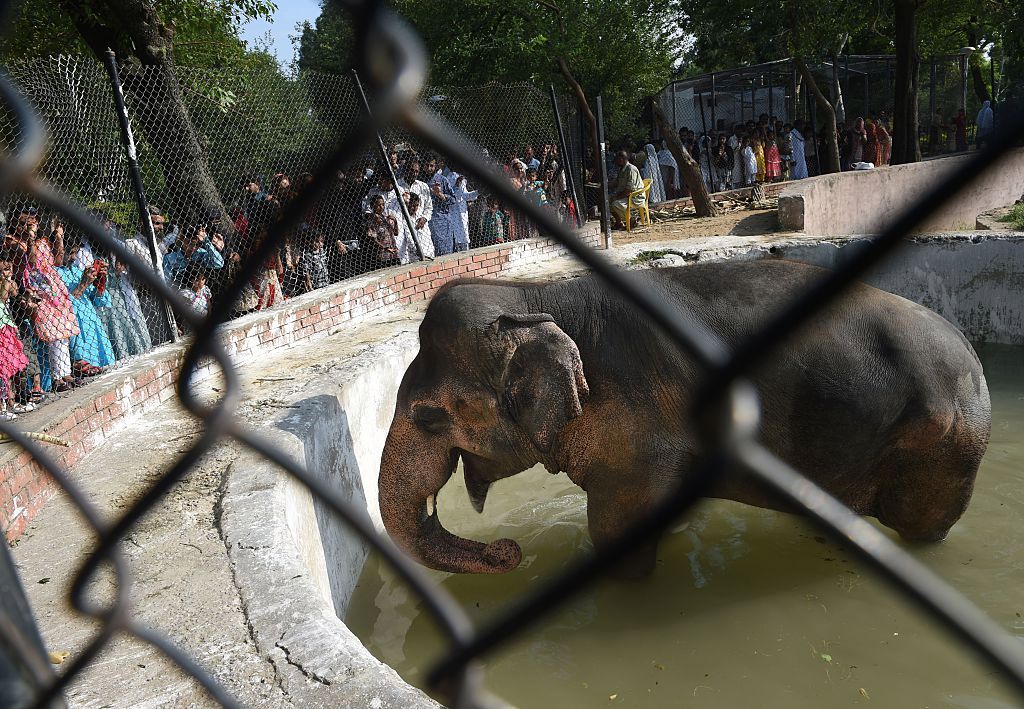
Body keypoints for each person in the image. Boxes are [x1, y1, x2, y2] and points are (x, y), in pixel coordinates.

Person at [57, 237, 114, 377]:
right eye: (70, 253)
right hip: (76, 328)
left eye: (76, 253)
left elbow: (98, 301)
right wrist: (83, 285)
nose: (73, 257)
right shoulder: (54, 273)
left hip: (92, 326)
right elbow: (63, 305)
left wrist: (100, 285)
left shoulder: (76, 271)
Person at [98, 255, 152, 361]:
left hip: (127, 291)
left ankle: (142, 350)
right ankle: (124, 356)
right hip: (112, 298)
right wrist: (115, 274)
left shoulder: (116, 249)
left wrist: (124, 267)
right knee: (119, 326)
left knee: (135, 326)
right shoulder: (95, 255)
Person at [0, 252, 29, 419]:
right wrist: (5, 280)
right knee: (1, 368)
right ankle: (1, 407)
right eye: (4, 267)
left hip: (5, 326)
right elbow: (3, 297)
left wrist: (8, 278)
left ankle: (10, 402)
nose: (7, 270)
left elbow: (14, 293)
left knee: (9, 366)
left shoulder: (6, 281)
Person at [607, 151, 645, 229]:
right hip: (626, 194)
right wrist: (604, 184)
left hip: (635, 196)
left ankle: (631, 220)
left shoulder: (631, 169)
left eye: (616, 159)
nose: (615, 162)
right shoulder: (622, 169)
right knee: (607, 201)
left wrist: (617, 197)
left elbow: (629, 189)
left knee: (615, 204)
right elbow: (617, 182)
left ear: (621, 159)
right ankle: (619, 223)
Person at [364, 194, 400, 269]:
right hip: (382, 256)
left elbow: (396, 233)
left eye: (383, 205)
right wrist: (385, 248)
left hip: (393, 254)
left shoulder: (386, 219)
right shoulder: (371, 221)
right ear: (372, 206)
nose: (381, 207)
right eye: (378, 205)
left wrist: (395, 221)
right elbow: (372, 239)